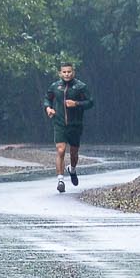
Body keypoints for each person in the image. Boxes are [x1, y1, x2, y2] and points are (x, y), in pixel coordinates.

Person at [44, 62, 94, 192]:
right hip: (59, 123)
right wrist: (48, 108)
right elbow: (47, 99)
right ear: (60, 73)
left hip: (75, 124)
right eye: (64, 72)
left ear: (73, 72)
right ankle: (60, 180)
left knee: (74, 153)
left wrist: (76, 103)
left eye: (69, 72)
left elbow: (90, 102)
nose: (67, 74)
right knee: (60, 150)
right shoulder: (55, 86)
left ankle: (72, 169)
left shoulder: (80, 86)